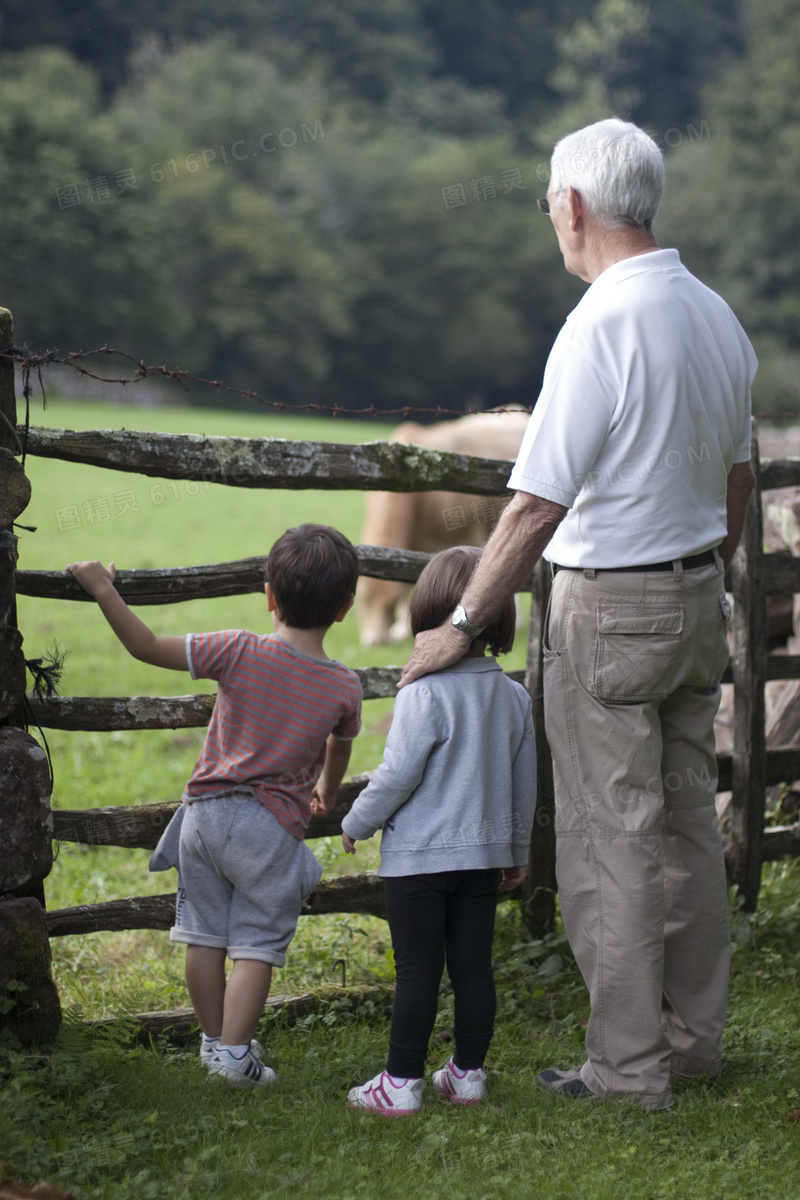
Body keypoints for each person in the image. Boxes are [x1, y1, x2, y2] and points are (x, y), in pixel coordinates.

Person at [399, 118, 757, 1111]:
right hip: (696, 599)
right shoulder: (714, 314)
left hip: (610, 609)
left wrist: (462, 624)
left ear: (571, 207)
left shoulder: (601, 322)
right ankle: (690, 1044)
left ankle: (626, 1069)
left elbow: (533, 506)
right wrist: (700, 570)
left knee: (612, 839)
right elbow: (735, 483)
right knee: (687, 827)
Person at [66, 523, 362, 1089]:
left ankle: (210, 1042)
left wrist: (104, 588)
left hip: (201, 816)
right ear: (346, 607)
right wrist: (328, 789)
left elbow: (146, 647)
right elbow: (339, 749)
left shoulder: (236, 648)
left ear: (269, 595)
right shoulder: (342, 687)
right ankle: (233, 1056)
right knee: (257, 943)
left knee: (202, 933)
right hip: (269, 830)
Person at [342, 546, 536, 1115]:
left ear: (428, 610)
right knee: (474, 967)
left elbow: (398, 774)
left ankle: (401, 1084)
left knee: (417, 973)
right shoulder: (515, 696)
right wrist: (517, 850)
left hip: (419, 863)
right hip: (481, 862)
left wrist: (358, 821)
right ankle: (467, 1075)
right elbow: (525, 784)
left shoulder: (421, 692)